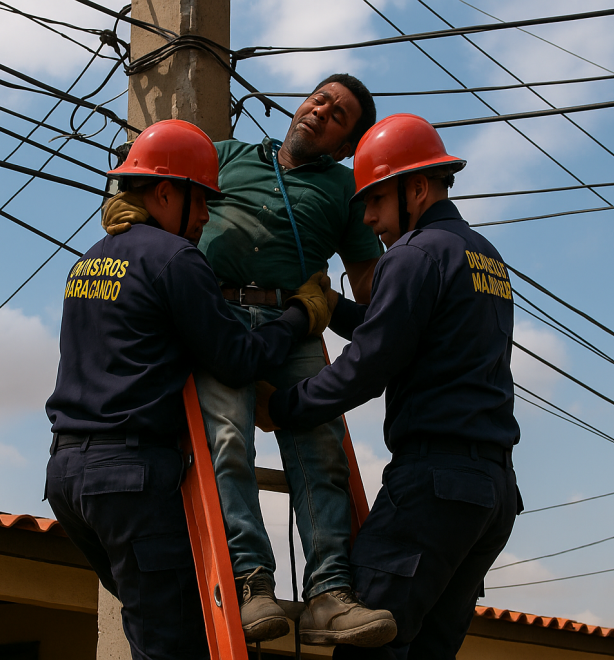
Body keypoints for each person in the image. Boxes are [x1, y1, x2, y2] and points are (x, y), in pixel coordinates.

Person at [44, 119, 333, 660]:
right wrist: (299, 314)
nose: (205, 218)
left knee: (152, 621)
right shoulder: (176, 259)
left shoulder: (89, 261)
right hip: (130, 478)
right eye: (200, 202)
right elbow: (237, 357)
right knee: (174, 642)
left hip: (68, 478)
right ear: (163, 192)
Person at [261, 113, 523, 659]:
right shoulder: (483, 257)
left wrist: (286, 406)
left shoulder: (412, 254)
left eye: (376, 202)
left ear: (417, 188)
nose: (371, 221)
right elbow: (409, 335)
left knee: (367, 647)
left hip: (434, 485)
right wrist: (334, 309)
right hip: (490, 494)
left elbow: (371, 363)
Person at [197, 73, 396, 647]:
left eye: (339, 116)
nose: (322, 112)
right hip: (219, 316)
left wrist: (400, 320)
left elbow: (368, 282)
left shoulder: (343, 189)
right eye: (321, 100)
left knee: (320, 449)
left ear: (344, 145)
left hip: (294, 324)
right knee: (228, 439)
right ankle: (251, 582)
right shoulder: (226, 154)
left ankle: (329, 595)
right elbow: (160, 203)